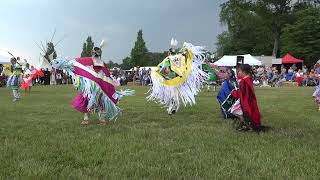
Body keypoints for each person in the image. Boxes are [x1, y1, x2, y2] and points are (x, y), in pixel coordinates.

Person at [52, 40, 134, 125]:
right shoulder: (91, 61)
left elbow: (106, 76)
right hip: (92, 88)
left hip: (97, 88)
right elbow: (78, 64)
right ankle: (93, 119)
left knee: (97, 101)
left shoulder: (97, 63)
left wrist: (69, 63)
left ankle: (94, 119)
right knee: (91, 101)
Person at [147, 39, 208, 115]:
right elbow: (186, 59)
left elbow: (162, 68)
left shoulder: (168, 59)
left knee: (170, 95)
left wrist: (155, 71)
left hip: (171, 80)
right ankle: (173, 106)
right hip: (180, 79)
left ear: (169, 53)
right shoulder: (180, 57)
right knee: (175, 94)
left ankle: (171, 107)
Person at [230, 64, 262, 131]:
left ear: (244, 72)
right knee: (239, 112)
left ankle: (248, 126)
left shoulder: (244, 81)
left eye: (239, 71)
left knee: (236, 111)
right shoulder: (247, 79)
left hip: (245, 101)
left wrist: (235, 93)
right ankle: (246, 125)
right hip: (247, 100)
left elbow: (244, 93)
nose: (238, 73)